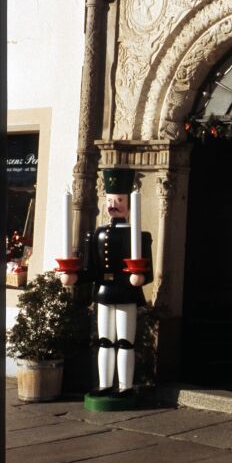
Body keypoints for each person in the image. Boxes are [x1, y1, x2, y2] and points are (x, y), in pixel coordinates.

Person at [62, 168, 153, 401]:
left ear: (129, 203)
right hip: (103, 293)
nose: (114, 205)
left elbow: (148, 271)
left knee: (124, 340)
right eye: (111, 200)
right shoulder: (97, 234)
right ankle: (104, 385)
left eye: (119, 200)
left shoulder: (138, 235)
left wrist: (140, 278)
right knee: (104, 340)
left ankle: (125, 386)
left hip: (126, 294)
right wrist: (74, 277)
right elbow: (90, 269)